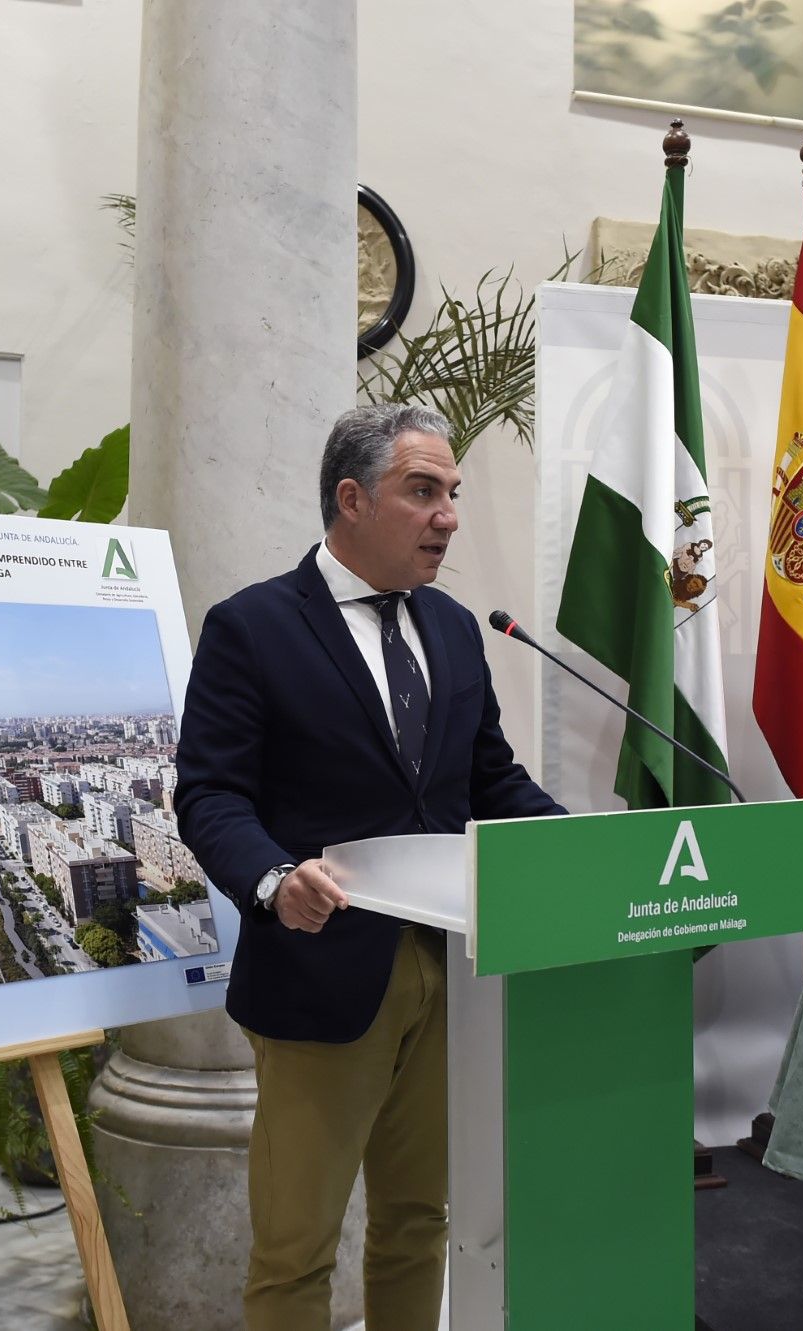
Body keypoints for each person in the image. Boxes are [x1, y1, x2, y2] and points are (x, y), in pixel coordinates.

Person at [175, 403, 563, 1330]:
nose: (449, 516)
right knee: (297, 1251)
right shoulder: (254, 627)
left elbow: (488, 778)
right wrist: (272, 880)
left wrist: (581, 847)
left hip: (453, 967)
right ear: (351, 499)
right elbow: (209, 795)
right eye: (422, 491)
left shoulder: (459, 628)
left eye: (453, 494)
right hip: (324, 973)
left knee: (418, 1220)